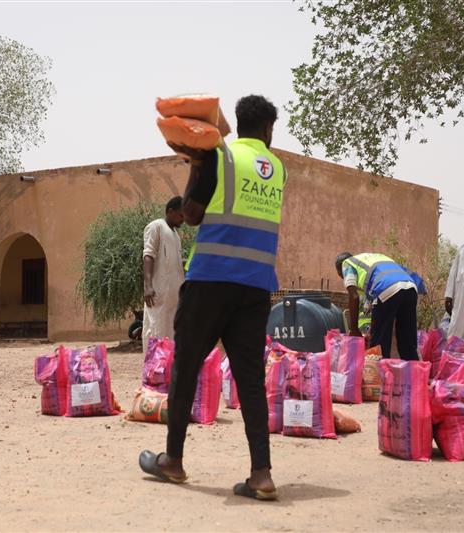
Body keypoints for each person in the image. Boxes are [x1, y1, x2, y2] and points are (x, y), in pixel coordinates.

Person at [139, 95, 284, 501]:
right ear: (269, 130)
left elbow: (193, 214)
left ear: (237, 124)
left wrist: (197, 164)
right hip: (256, 287)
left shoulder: (219, 155)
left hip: (211, 281)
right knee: (250, 380)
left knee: (185, 368)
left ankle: (173, 460)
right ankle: (261, 473)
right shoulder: (279, 170)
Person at [335, 252, 425, 359]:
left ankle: (379, 374)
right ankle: (413, 373)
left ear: (340, 270)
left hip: (385, 288)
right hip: (411, 288)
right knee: (407, 343)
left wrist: (354, 329)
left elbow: (354, 296)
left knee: (379, 346)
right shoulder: (377, 258)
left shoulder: (347, 263)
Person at [141, 196, 185, 354]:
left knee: (170, 340)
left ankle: (166, 374)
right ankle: (153, 375)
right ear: (170, 211)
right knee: (156, 335)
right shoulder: (156, 226)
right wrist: (148, 286)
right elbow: (148, 256)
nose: (183, 219)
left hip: (173, 299)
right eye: (181, 215)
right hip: (158, 295)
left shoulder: (175, 235)